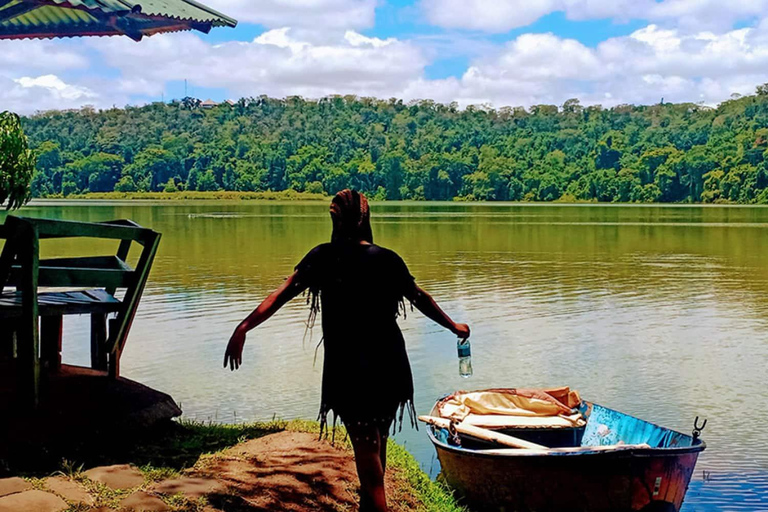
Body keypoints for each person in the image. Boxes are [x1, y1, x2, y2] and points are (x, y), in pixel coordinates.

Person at [224, 189, 470, 512]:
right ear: (366, 220)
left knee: (370, 465)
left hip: (351, 372)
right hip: (390, 368)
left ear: (335, 221)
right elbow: (420, 298)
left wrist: (244, 327)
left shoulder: (324, 258)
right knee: (374, 453)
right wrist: (454, 326)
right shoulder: (387, 259)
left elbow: (281, 294)